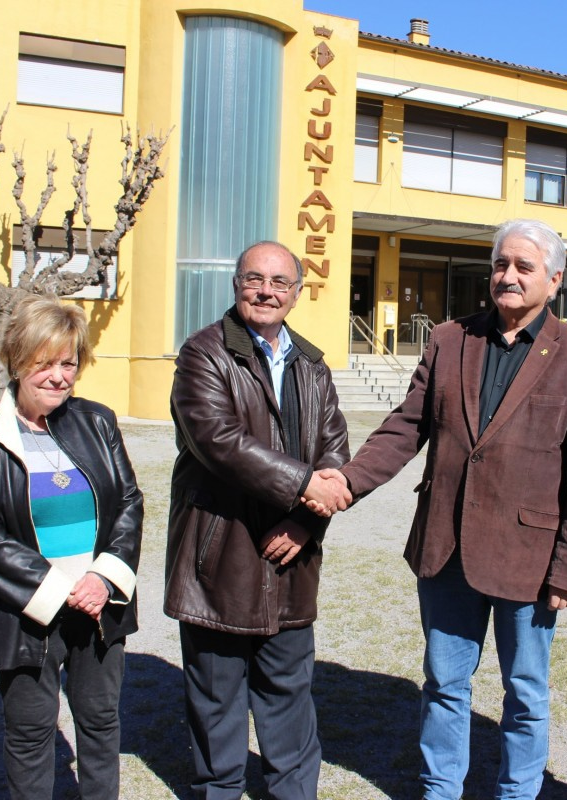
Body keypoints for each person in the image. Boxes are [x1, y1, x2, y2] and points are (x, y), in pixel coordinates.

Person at [324, 219, 567, 799]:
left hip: (528, 559)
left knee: (526, 691)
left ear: (554, 280)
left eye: (523, 267)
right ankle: (440, 789)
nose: (507, 276)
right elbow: (407, 427)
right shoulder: (451, 339)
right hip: (446, 546)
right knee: (444, 684)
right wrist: (348, 483)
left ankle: (517, 792)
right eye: (501, 265)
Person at [164, 241, 351, 800]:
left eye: (279, 282)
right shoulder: (202, 354)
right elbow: (219, 442)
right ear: (236, 284)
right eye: (254, 278)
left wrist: (307, 525)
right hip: (221, 555)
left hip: (293, 555)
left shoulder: (312, 365)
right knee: (217, 701)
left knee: (289, 696)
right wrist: (303, 487)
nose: (266, 291)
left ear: (296, 293)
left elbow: (334, 452)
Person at [0, 294, 143, 800]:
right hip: (26, 610)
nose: (59, 376)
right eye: (45, 363)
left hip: (99, 602)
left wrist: (103, 579)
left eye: (68, 362)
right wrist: (61, 588)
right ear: (18, 362)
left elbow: (128, 501)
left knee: (101, 720)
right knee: (32, 731)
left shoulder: (97, 422)